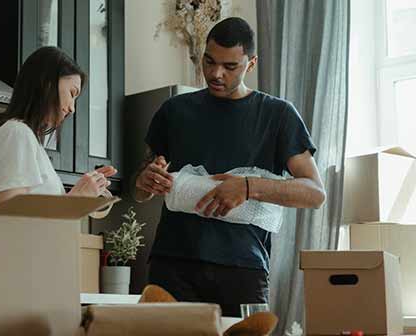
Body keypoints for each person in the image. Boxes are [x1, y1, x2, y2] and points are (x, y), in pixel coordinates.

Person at [132, 17, 326, 317]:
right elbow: (141, 189)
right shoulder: (174, 111)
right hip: (171, 265)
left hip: (242, 269)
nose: (215, 73)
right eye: (209, 62)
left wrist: (248, 187)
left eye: (229, 66)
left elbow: (315, 193)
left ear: (251, 64)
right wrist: (145, 181)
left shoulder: (278, 115)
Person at [0, 46, 116, 215]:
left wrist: (83, 192)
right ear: (47, 84)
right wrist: (77, 197)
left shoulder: (29, 139)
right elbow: (11, 214)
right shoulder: (17, 132)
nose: (72, 108)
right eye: (72, 93)